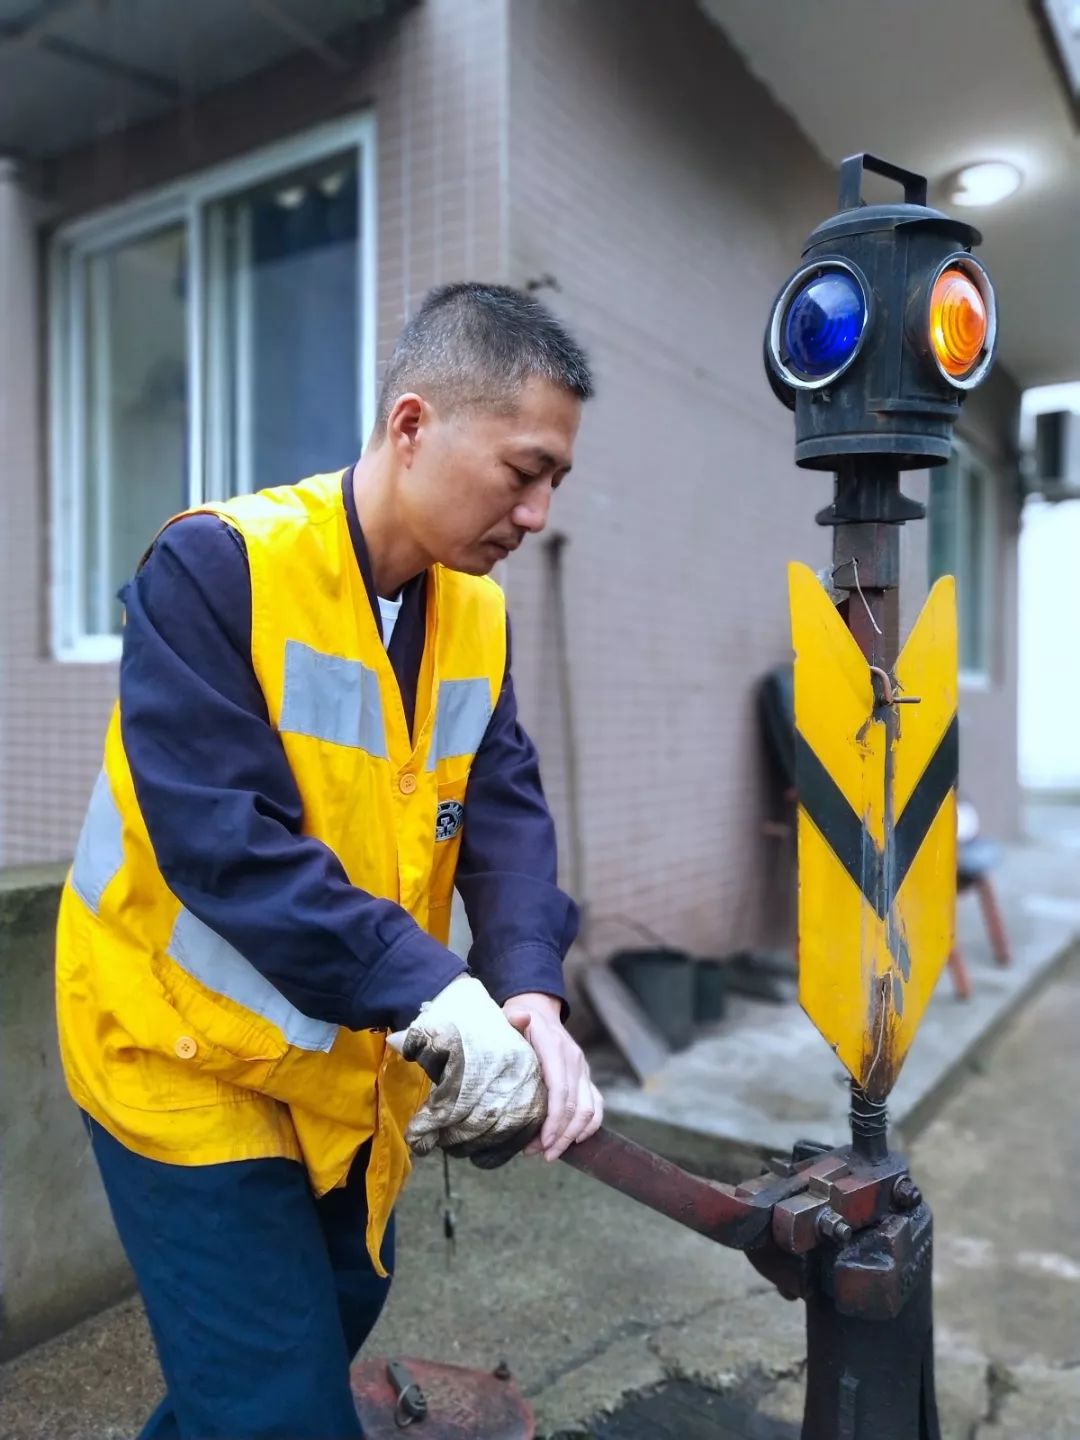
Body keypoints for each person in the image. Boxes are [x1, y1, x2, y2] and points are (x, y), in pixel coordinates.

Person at [55, 282, 604, 1439]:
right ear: (412, 426)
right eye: (524, 470)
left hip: (342, 1070)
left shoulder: (477, 616)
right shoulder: (215, 570)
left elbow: (504, 814)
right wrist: (434, 987)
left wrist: (531, 995)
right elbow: (227, 845)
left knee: (291, 1360)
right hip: (179, 1054)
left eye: (556, 480)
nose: (541, 511)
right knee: (281, 1409)